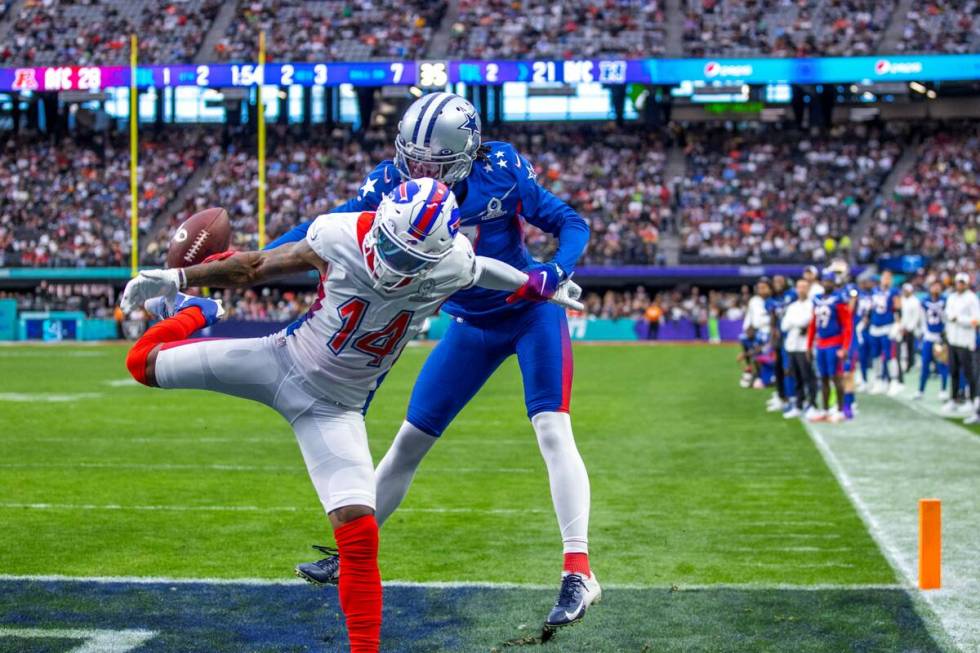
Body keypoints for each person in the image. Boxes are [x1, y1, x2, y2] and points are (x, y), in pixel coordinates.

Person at [118, 179, 583, 653]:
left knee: (359, 531)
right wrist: (179, 281)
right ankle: (201, 312)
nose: (395, 265)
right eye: (392, 249)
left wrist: (536, 284)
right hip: (280, 360)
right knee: (141, 363)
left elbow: (483, 268)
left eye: (411, 259)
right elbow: (257, 264)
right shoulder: (340, 233)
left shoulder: (454, 262)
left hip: (335, 409)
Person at [266, 93, 598, 627]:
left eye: (433, 163)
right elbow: (317, 236)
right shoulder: (386, 185)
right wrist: (250, 261)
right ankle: (348, 552)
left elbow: (569, 220)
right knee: (408, 443)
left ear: (467, 153)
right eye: (412, 158)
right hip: (469, 325)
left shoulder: (502, 169)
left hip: (531, 313)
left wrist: (555, 271)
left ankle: (578, 569)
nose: (419, 172)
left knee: (552, 430)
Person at [807, 268, 853, 423]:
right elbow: (813, 324)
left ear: (834, 283)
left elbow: (847, 324)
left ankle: (840, 410)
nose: (827, 283)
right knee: (824, 378)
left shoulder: (839, 299)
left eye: (830, 281)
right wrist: (809, 345)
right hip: (821, 344)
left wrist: (845, 347)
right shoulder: (816, 299)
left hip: (835, 342)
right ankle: (825, 410)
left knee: (836, 377)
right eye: (825, 280)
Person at [943, 272, 980, 421]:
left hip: (966, 341)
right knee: (953, 371)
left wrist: (959, 319)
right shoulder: (951, 297)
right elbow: (947, 314)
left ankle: (972, 401)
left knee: (970, 373)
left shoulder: (971, 298)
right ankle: (954, 399)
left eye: (962, 282)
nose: (960, 285)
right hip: (953, 339)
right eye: (958, 282)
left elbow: (976, 320)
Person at [781, 278, 816, 419]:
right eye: (799, 287)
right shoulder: (792, 306)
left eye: (804, 287)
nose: (801, 289)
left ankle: (812, 404)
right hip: (792, 345)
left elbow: (806, 320)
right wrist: (797, 323)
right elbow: (784, 325)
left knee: (808, 377)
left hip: (804, 346)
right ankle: (799, 405)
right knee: (797, 378)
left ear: (808, 289)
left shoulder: (812, 305)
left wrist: (795, 322)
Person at [868, 270, 902, 396]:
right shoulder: (875, 290)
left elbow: (898, 309)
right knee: (876, 356)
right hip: (875, 326)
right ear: (881, 278)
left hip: (887, 326)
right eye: (884, 277)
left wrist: (898, 324)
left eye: (889, 278)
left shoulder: (894, 292)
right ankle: (879, 380)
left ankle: (894, 380)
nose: (886, 280)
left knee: (890, 355)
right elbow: (871, 308)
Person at [916, 280, 949, 400]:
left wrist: (944, 334)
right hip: (929, 337)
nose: (935, 289)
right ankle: (921, 390)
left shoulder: (946, 301)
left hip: (940, 338)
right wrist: (925, 333)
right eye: (933, 286)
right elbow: (922, 319)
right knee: (925, 364)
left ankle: (943, 390)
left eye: (937, 286)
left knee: (942, 365)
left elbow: (947, 318)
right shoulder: (924, 301)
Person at [741, 278, 772, 388]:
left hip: (770, 332)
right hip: (758, 331)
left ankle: (768, 377)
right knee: (745, 340)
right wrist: (748, 328)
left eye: (764, 287)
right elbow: (749, 317)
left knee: (763, 353)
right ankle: (754, 373)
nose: (761, 290)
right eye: (759, 288)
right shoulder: (754, 300)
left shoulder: (773, 299)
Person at [898, 283, 922, 374]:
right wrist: (901, 326)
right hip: (901, 328)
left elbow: (916, 317)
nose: (905, 292)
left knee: (910, 347)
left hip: (911, 329)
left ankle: (910, 364)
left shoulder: (915, 301)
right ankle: (903, 364)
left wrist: (909, 328)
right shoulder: (902, 299)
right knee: (902, 347)